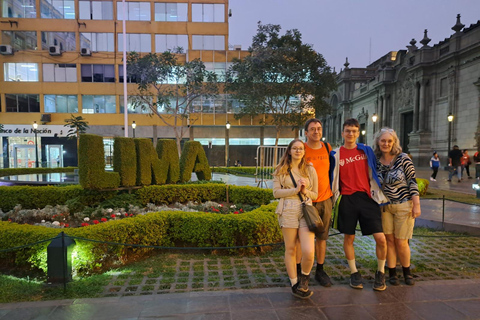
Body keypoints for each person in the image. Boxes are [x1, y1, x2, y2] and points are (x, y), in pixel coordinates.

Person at [331, 118, 388, 291]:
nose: (351, 134)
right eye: (347, 131)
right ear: (343, 133)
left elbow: (384, 158)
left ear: (358, 133)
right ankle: (354, 273)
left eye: (354, 131)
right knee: (349, 238)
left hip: (367, 198)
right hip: (347, 199)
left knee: (381, 239)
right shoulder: (336, 154)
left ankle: (380, 272)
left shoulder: (366, 151)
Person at [373, 128, 421, 286]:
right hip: (385, 207)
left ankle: (407, 272)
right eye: (383, 141)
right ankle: (392, 272)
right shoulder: (376, 160)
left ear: (394, 142)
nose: (386, 144)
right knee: (389, 241)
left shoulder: (403, 158)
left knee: (402, 241)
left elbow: (412, 182)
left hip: (403, 205)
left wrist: (416, 204)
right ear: (378, 142)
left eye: (389, 141)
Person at [273, 139, 318, 299]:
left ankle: (304, 279)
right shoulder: (281, 169)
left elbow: (315, 194)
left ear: (304, 151)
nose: (298, 151)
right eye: (295, 148)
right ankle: (294, 283)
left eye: (301, 148)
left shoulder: (310, 169)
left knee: (308, 251)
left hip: (306, 209)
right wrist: (295, 189)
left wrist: (304, 191)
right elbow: (276, 193)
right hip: (288, 209)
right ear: (289, 151)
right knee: (290, 248)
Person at [302, 118, 334, 287]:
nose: (316, 131)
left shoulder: (328, 148)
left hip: (325, 199)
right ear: (306, 132)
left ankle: (320, 270)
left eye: (319, 128)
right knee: (304, 239)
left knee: (322, 237)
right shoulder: (302, 149)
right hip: (307, 202)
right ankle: (302, 271)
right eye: (312, 129)